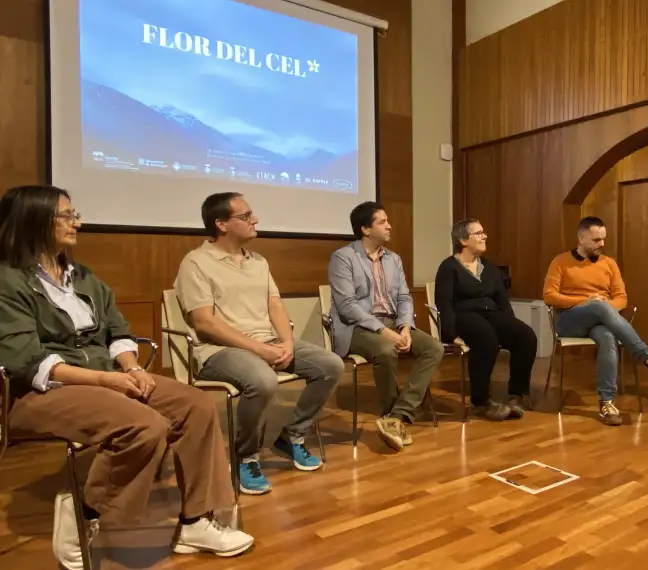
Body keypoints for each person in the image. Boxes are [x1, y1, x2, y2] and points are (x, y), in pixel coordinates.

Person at [0, 185, 253, 569]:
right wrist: (107, 382)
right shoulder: (8, 282)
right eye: (67, 216)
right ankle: (84, 515)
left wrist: (131, 368)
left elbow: (118, 331)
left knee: (196, 405)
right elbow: (26, 361)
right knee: (144, 426)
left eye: (74, 214)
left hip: (105, 376)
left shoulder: (82, 277)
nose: (78, 222)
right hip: (42, 390)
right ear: (35, 220)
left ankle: (196, 521)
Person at [174, 192, 343, 495]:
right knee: (264, 381)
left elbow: (274, 305)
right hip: (219, 350)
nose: (256, 220)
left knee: (330, 365)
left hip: (267, 342)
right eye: (246, 215)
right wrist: (259, 350)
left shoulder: (258, 261)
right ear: (222, 224)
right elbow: (204, 322)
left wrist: (288, 341)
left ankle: (292, 435)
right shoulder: (196, 263)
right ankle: (246, 456)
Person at [328, 201, 443, 451]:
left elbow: (404, 297)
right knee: (385, 349)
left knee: (433, 348)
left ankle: (396, 417)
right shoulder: (343, 257)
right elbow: (347, 306)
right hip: (356, 327)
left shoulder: (393, 259)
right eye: (382, 222)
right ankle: (392, 416)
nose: (389, 226)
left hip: (392, 321)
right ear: (365, 229)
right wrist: (385, 332)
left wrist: (404, 326)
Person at [543, 216, 648, 426]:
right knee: (600, 306)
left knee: (607, 336)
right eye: (596, 240)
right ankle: (647, 356)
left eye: (603, 239)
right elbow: (549, 296)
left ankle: (607, 403)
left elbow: (621, 298)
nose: (602, 244)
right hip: (569, 320)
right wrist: (587, 302)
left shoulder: (609, 264)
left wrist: (604, 310)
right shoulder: (560, 262)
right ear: (581, 238)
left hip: (601, 321)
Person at [433, 219, 536, 420]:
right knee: (487, 340)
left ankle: (516, 395)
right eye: (478, 233)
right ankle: (480, 402)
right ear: (463, 240)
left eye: (483, 232)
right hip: (464, 316)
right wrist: (449, 334)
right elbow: (443, 304)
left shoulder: (488, 267)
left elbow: (502, 300)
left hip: (491, 314)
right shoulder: (448, 267)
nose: (484, 236)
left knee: (526, 336)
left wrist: (510, 325)